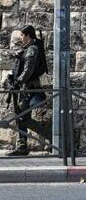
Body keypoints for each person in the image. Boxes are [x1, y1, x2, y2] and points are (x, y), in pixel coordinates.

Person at [6, 25, 51, 156]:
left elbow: (28, 70)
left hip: (29, 88)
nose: (21, 38)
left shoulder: (31, 49)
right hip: (26, 88)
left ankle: (52, 137)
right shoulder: (28, 49)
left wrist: (18, 82)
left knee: (22, 118)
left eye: (22, 35)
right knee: (21, 117)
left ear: (27, 35)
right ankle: (22, 146)